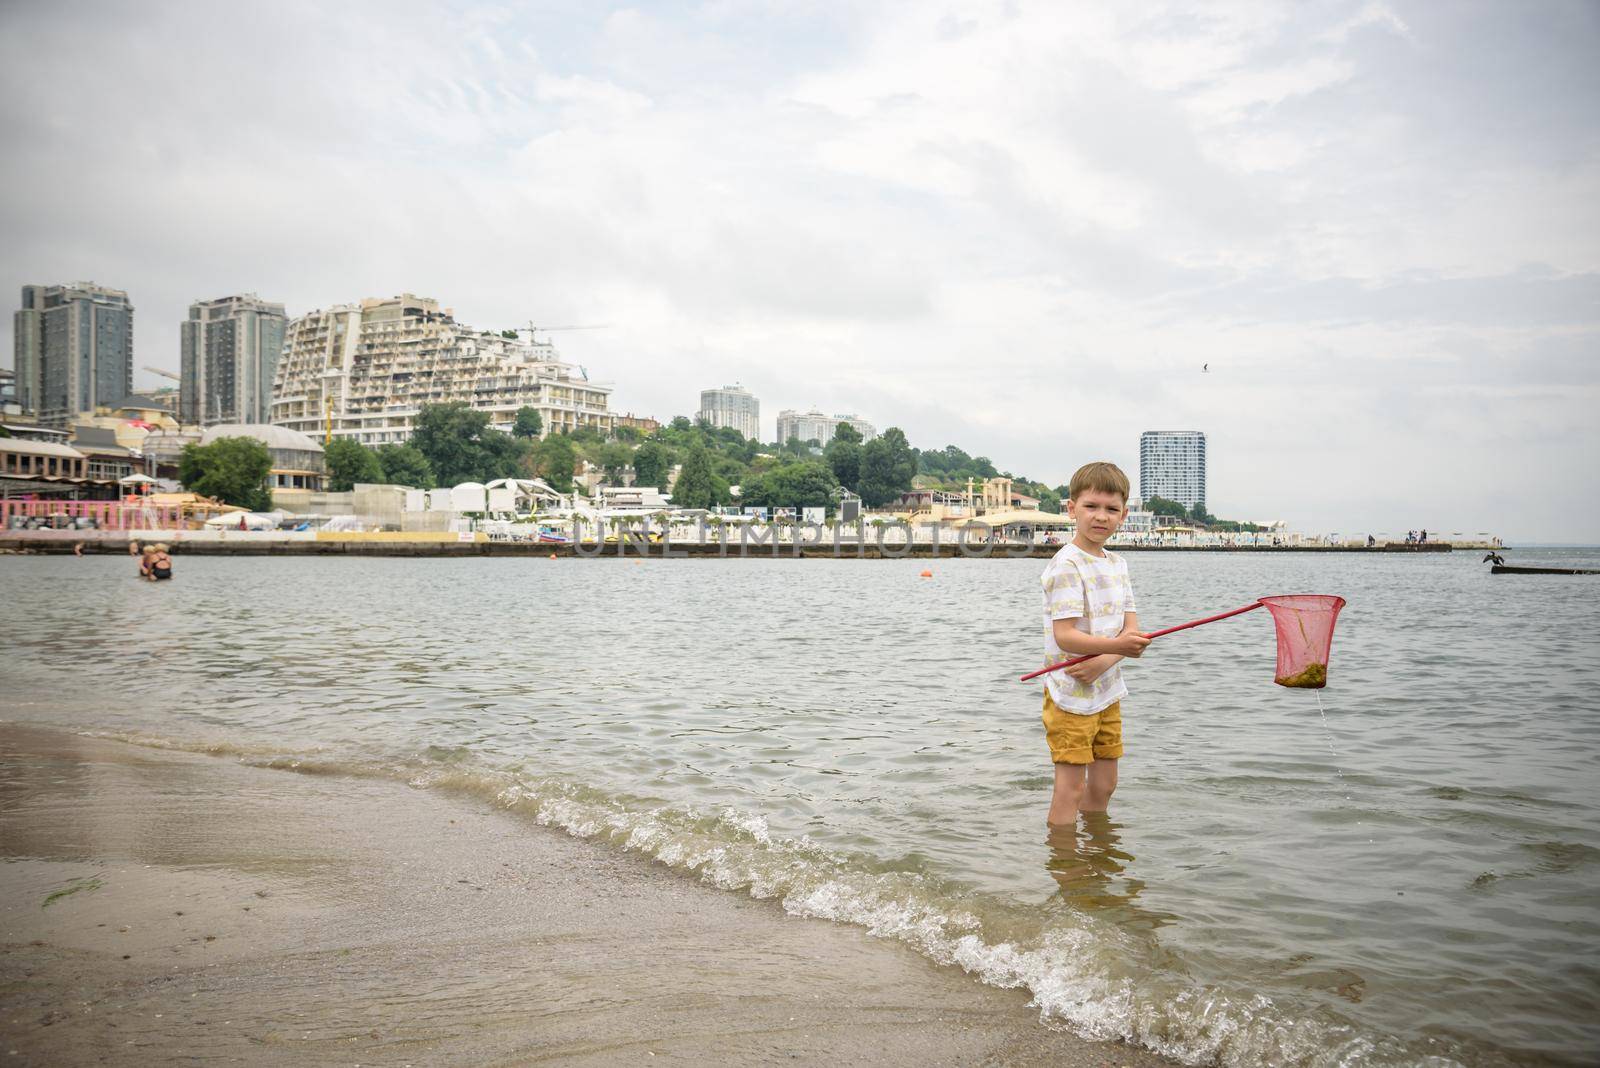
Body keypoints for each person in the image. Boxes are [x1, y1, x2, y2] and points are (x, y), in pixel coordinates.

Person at [1039, 462, 1150, 828]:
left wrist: (1106, 659)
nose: (1101, 517)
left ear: (1124, 515)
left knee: (1104, 784)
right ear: (1072, 509)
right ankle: (1067, 867)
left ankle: (1097, 859)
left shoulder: (1118, 564)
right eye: (1091, 506)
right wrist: (1117, 649)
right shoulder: (1067, 565)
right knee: (1070, 789)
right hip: (1071, 695)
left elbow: (1130, 629)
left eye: (1111, 509)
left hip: (1107, 689)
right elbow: (1066, 636)